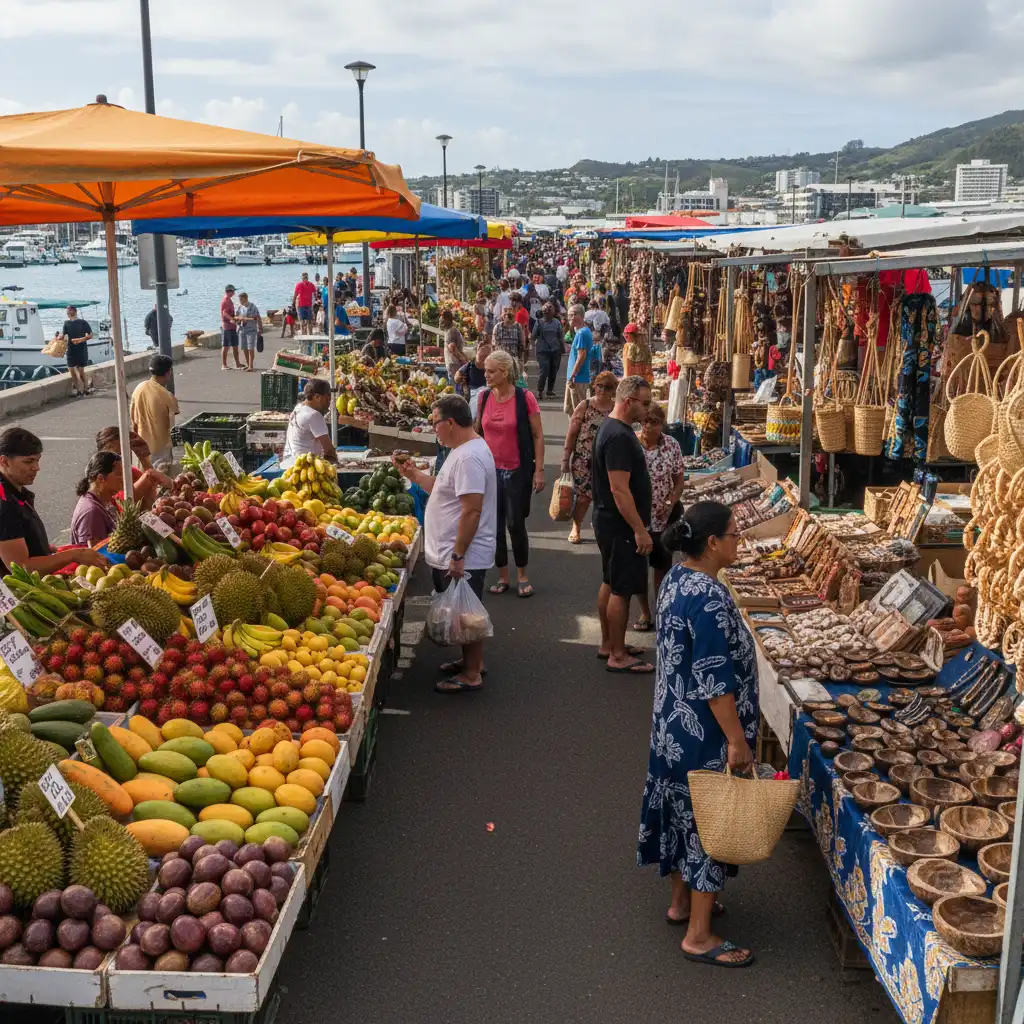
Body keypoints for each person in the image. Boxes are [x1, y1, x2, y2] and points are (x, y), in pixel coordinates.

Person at [637, 501, 756, 968]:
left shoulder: (675, 579)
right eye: (733, 534)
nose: (737, 541)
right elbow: (714, 679)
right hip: (702, 733)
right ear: (712, 543)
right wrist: (737, 739)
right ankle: (700, 936)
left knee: (682, 813)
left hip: (671, 725)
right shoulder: (708, 597)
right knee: (709, 820)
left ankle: (681, 903)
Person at [395, 395, 496, 693]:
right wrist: (414, 475)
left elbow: (472, 510)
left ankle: (472, 673)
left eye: (435, 423)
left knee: (468, 613)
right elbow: (443, 490)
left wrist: (458, 555)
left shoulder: (468, 458)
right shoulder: (462, 450)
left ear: (450, 422)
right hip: (455, 551)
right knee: (463, 612)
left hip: (465, 553)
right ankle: (469, 663)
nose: (434, 430)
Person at [591, 375, 654, 674]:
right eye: (644, 403)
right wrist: (639, 529)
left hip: (610, 521)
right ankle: (617, 653)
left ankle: (609, 643)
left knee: (610, 581)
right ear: (628, 402)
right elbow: (619, 489)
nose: (648, 409)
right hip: (619, 525)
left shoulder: (613, 428)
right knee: (621, 588)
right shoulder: (618, 436)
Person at [475, 349, 544, 598]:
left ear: (504, 373)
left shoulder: (524, 398)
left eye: (491, 371)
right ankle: (503, 576)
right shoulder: (483, 398)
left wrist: (539, 470)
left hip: (516, 471)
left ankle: (522, 574)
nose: (486, 375)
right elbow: (477, 434)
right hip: (489, 472)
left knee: (515, 523)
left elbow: (537, 435)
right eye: (485, 371)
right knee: (493, 526)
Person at [0, 427, 108, 575]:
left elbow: (19, 536)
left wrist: (46, 548)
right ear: (4, 462)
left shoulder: (16, 492)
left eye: (37, 460)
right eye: (28, 462)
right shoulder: (4, 504)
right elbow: (22, 567)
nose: (36, 468)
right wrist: (73, 555)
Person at [633, 403, 686, 630]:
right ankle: (645, 612)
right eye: (644, 421)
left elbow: (679, 480)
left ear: (661, 424)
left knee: (661, 566)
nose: (647, 426)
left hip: (664, 517)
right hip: (638, 517)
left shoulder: (671, 445)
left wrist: (670, 500)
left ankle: (661, 610)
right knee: (638, 567)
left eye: (653, 422)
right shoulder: (633, 445)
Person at [561, 370, 617, 545]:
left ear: (613, 391)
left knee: (606, 497)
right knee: (584, 498)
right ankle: (576, 527)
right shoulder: (584, 405)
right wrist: (565, 460)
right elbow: (571, 434)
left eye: (607, 387)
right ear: (594, 386)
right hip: (583, 461)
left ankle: (600, 524)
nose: (602, 390)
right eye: (599, 385)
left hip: (608, 462)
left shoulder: (616, 409)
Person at [95, 427, 170, 508]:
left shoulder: (132, 472)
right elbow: (127, 502)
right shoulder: (102, 478)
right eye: (117, 455)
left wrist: (144, 459)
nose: (122, 459)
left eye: (125, 452)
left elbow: (151, 496)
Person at [129, 354, 179, 468]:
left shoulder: (138, 388)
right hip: (160, 449)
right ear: (168, 373)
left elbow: (133, 419)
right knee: (161, 482)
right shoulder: (167, 395)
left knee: (143, 479)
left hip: (141, 446)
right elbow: (173, 419)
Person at [70, 451, 122, 546]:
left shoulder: (106, 501)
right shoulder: (91, 512)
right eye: (119, 474)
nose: (124, 478)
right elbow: (94, 552)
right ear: (101, 479)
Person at [282, 379, 337, 469]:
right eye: (327, 398)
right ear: (317, 397)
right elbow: (329, 450)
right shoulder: (314, 415)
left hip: (291, 461)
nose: (329, 402)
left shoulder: (299, 407)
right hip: (305, 467)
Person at [532, 302, 564, 400]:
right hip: (542, 350)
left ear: (553, 311)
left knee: (553, 370)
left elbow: (560, 336)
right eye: (546, 310)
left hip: (555, 350)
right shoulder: (539, 322)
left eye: (550, 309)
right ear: (543, 312)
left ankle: (550, 391)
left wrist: (562, 348)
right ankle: (540, 391)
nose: (548, 311)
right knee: (544, 370)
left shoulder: (557, 322)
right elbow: (533, 336)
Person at [566, 305, 595, 410]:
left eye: (571, 315)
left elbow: (581, 356)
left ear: (577, 316)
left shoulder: (582, 333)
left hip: (577, 378)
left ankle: (577, 427)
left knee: (578, 411)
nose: (569, 318)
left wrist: (573, 375)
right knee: (569, 408)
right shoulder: (581, 331)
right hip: (575, 377)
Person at [63, 305, 94, 397]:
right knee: (72, 370)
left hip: (81, 349)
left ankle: (86, 388)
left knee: (81, 371)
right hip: (71, 350)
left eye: (69, 311)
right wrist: (59, 337)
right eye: (67, 311)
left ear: (74, 311)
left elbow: (91, 335)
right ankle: (78, 391)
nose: (67, 313)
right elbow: (63, 335)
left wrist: (81, 339)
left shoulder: (83, 322)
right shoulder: (66, 323)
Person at [235, 291, 261, 372]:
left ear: (246, 298)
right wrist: (239, 319)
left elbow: (257, 318)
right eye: (239, 300)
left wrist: (260, 328)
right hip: (242, 330)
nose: (240, 301)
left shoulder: (252, 307)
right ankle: (248, 364)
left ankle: (251, 366)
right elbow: (235, 317)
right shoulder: (239, 307)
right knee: (244, 348)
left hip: (251, 330)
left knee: (250, 348)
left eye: (241, 299)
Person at [441, 309, 466, 384]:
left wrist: (462, 358)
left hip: (453, 363)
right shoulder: (451, 330)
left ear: (447, 319)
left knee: (455, 384)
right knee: (456, 385)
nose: (442, 321)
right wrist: (462, 359)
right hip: (453, 363)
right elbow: (452, 347)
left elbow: (453, 347)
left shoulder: (452, 330)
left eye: (443, 319)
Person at [220, 285, 241, 370]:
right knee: (226, 346)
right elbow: (224, 313)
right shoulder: (225, 301)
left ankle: (237, 363)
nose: (234, 293)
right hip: (227, 327)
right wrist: (232, 319)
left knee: (235, 345)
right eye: (232, 291)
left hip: (232, 326)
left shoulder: (229, 300)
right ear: (228, 292)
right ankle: (224, 365)